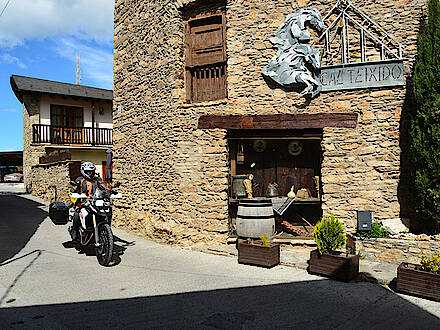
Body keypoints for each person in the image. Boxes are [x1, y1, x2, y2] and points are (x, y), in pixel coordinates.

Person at [69, 162, 106, 242]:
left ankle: (103, 231)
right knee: (76, 215)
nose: (90, 173)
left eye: (91, 171)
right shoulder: (80, 180)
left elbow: (103, 188)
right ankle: (75, 232)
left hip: (95, 203)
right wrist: (74, 194)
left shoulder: (97, 180)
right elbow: (72, 190)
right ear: (83, 171)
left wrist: (109, 191)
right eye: (88, 171)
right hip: (82, 204)